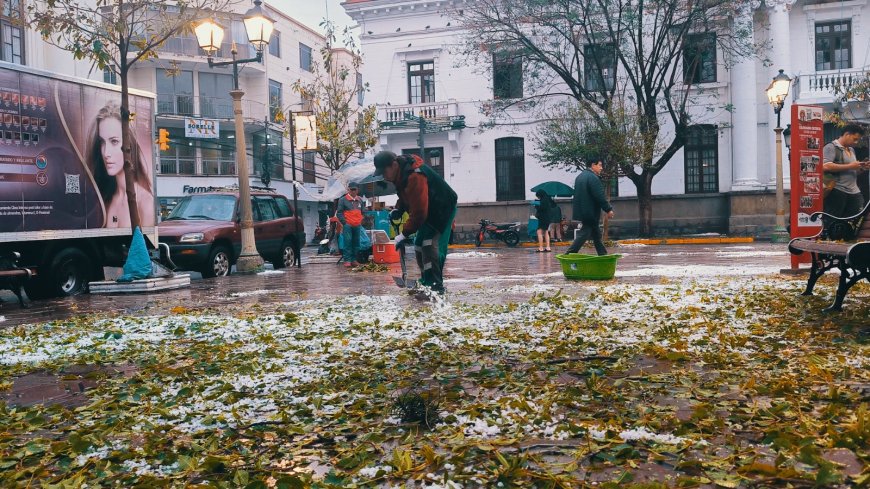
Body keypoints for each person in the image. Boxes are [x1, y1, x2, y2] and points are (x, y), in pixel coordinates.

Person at [374, 151, 458, 295]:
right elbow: (406, 195)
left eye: (385, 171)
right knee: (419, 243)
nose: (384, 176)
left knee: (428, 244)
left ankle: (435, 286)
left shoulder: (415, 176)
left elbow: (419, 213)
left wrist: (404, 234)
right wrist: (398, 209)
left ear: (394, 165)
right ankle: (425, 280)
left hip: (442, 208)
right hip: (429, 209)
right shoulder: (402, 174)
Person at [86, 101, 155, 228]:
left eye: (114, 141)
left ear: (130, 145)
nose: (106, 153)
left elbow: (144, 246)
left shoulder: (145, 203)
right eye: (102, 142)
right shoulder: (104, 199)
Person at [566, 157, 614, 255]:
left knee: (596, 234)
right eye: (600, 165)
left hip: (583, 211)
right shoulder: (593, 178)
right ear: (593, 165)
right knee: (585, 233)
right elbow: (599, 196)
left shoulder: (580, 177)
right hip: (590, 212)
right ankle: (570, 253)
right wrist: (608, 209)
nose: (601, 168)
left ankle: (603, 255)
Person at [823, 124, 868, 220]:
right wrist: (850, 166)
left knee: (855, 220)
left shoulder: (851, 150)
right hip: (837, 190)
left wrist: (862, 168)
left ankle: (847, 235)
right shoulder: (831, 147)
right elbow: (825, 166)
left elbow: (852, 171)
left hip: (854, 191)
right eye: (854, 139)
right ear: (847, 134)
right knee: (833, 220)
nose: (856, 142)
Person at [336, 182, 364, 267]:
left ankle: (354, 260)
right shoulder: (343, 200)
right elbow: (339, 213)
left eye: (354, 189)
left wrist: (361, 220)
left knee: (356, 243)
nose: (353, 191)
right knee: (347, 242)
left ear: (357, 190)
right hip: (348, 225)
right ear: (348, 190)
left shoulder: (360, 200)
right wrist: (345, 223)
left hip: (357, 225)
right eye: (351, 189)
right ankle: (347, 260)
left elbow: (363, 211)